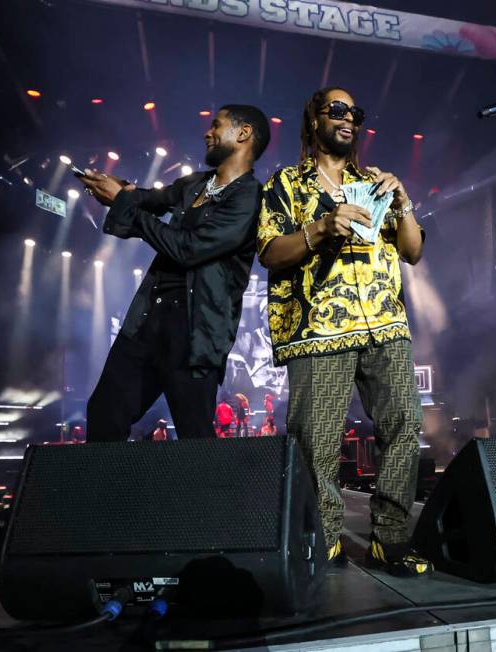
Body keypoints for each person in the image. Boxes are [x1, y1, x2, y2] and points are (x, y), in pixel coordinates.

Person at [258, 87, 430, 576]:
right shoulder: (287, 183)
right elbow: (269, 252)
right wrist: (323, 227)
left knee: (405, 425)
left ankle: (390, 539)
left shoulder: (374, 182)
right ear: (313, 120)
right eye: (336, 110)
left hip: (385, 322)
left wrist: (404, 202)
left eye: (355, 112)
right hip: (318, 329)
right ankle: (325, 538)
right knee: (316, 440)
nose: (348, 118)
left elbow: (413, 251)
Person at [80, 105, 270, 441]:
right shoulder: (194, 184)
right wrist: (117, 190)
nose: (207, 132)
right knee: (104, 415)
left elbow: (189, 248)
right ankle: (104, 494)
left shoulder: (249, 198)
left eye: (216, 125)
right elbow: (151, 199)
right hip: (147, 319)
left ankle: (204, 494)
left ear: (243, 134)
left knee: (193, 435)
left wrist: (127, 207)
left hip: (197, 331)